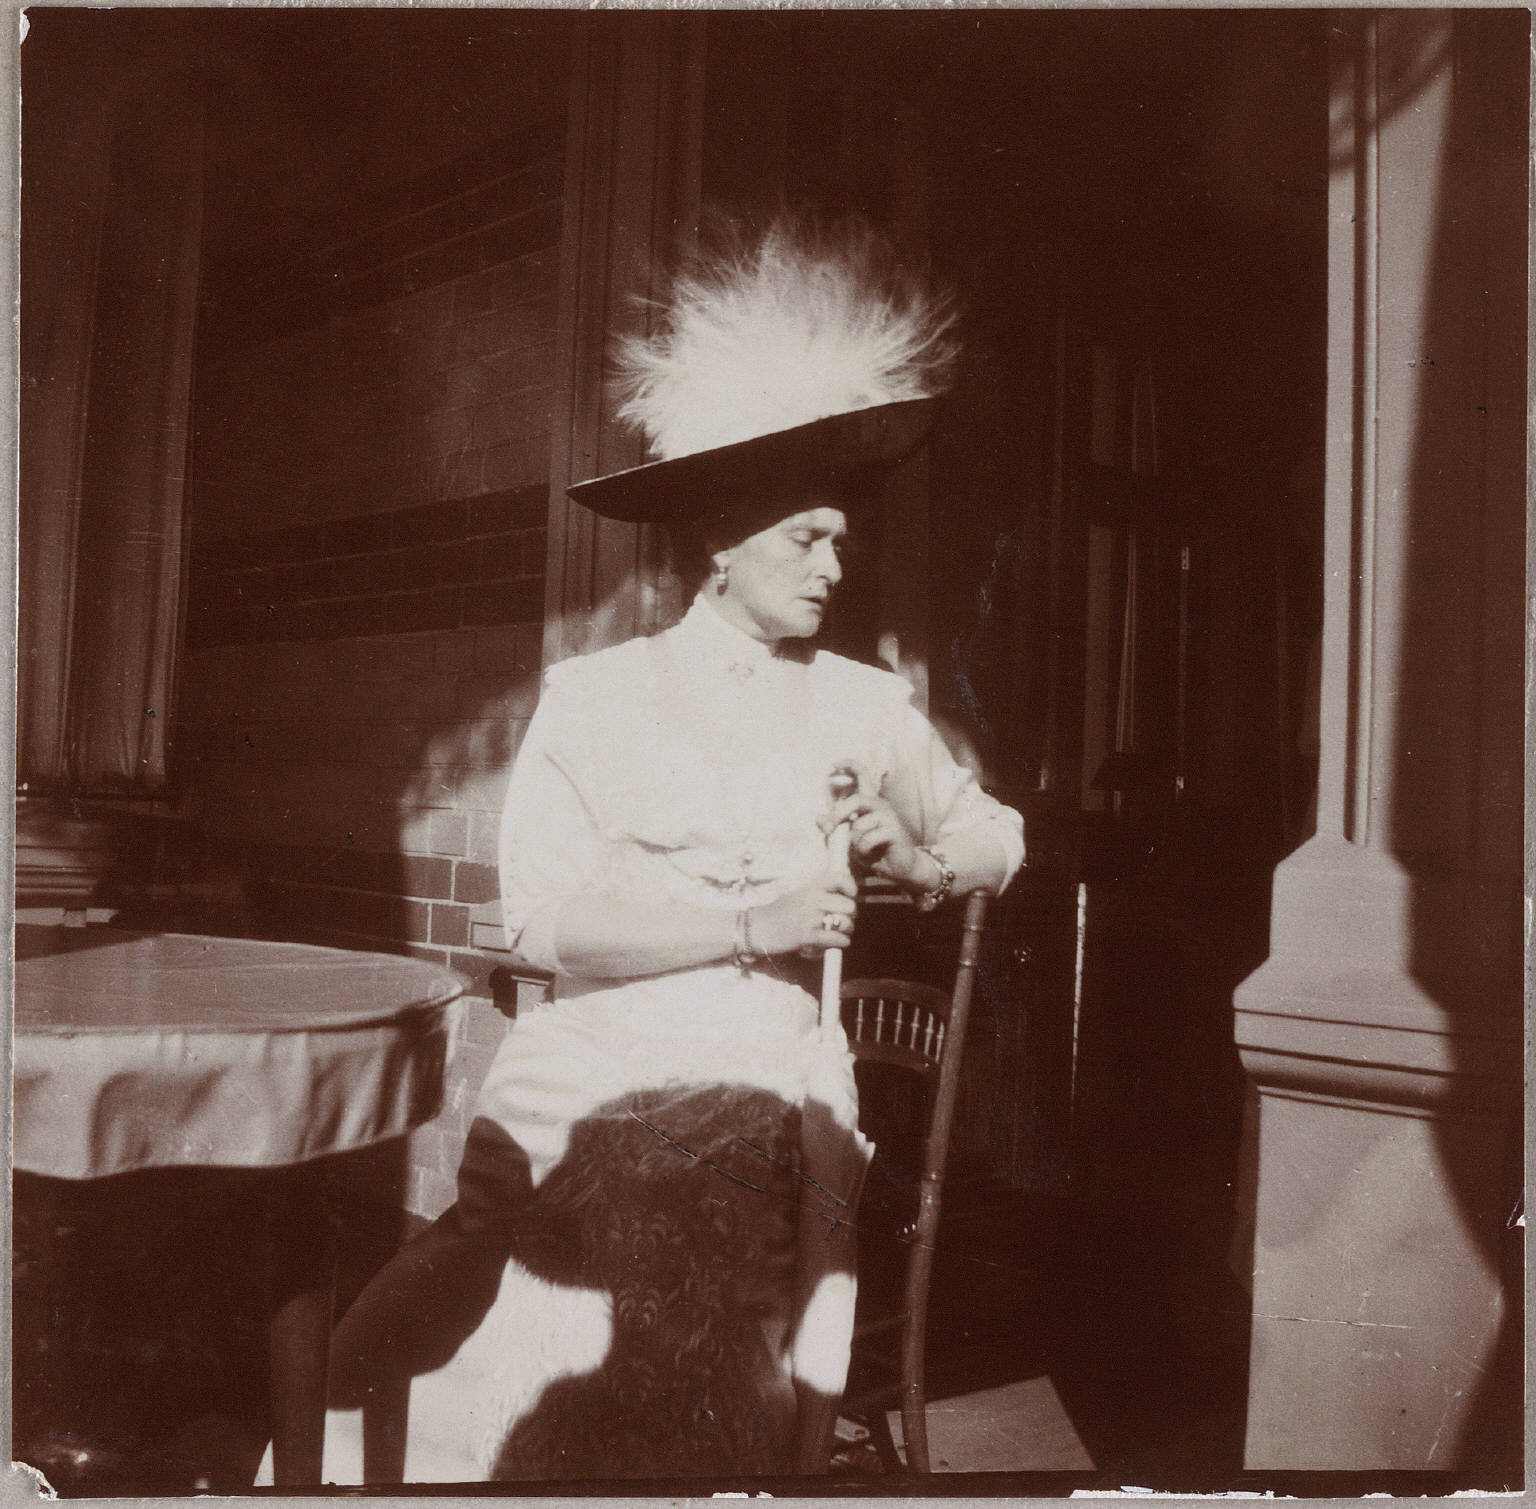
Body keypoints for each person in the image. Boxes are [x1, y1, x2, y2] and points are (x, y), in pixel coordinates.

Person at [318, 219, 1024, 1484]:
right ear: (722, 539)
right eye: (806, 537)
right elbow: (540, 927)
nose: (836, 562)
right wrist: (751, 925)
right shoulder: (598, 695)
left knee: (682, 1195)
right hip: (590, 1041)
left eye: (841, 536)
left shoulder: (863, 703)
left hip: (765, 1052)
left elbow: (997, 841)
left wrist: (914, 866)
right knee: (514, 1209)